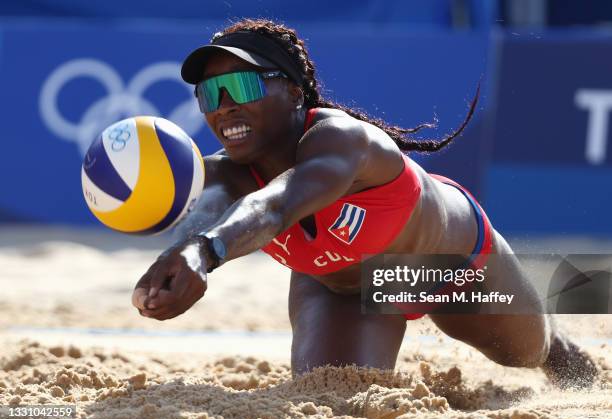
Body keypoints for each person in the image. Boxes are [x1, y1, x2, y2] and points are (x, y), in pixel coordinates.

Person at [131, 18, 597, 388]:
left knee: (527, 353)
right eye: (210, 93)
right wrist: (168, 259)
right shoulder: (220, 176)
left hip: (449, 264)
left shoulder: (341, 139)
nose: (225, 105)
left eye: (245, 86)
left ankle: (563, 348)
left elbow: (275, 205)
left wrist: (203, 252)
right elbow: (200, 213)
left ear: (295, 91)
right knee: (331, 397)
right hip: (343, 290)